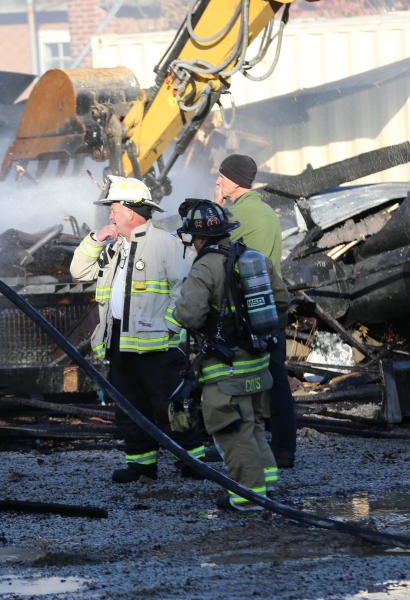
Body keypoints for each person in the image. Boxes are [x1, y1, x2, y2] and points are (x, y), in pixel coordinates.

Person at [70, 175, 204, 483]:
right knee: (129, 405)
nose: (110, 214)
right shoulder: (115, 247)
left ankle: (192, 461)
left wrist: (168, 327)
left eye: (114, 208)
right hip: (120, 341)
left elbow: (186, 291)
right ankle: (142, 465)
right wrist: (95, 239)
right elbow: (78, 271)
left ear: (131, 211)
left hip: (157, 346)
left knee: (168, 406)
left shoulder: (165, 244)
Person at [172, 199, 288, 511]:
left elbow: (191, 315)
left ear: (197, 239)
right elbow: (282, 299)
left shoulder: (204, 268)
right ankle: (267, 484)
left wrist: (177, 309)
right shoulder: (254, 258)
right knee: (254, 427)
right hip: (259, 363)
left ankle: (248, 498)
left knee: (231, 431)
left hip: (226, 369)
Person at [215, 153, 296, 472]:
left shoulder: (241, 214)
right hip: (269, 306)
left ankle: (260, 448)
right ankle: (281, 448)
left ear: (233, 181)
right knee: (273, 376)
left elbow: (211, 243)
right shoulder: (264, 210)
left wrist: (216, 206)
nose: (217, 181)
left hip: (249, 308)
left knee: (254, 379)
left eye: (221, 177)